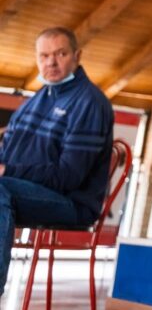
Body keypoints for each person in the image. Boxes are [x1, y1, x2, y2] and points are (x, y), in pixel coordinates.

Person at [0, 27, 114, 295]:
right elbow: (8, 154)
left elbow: (68, 177)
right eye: (44, 56)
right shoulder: (39, 97)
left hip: (71, 202)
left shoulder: (90, 102)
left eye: (60, 54)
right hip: (26, 191)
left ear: (77, 55)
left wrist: (9, 170)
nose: (51, 62)